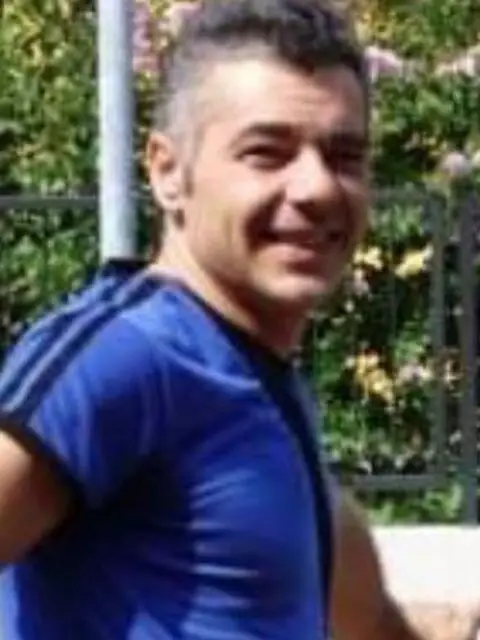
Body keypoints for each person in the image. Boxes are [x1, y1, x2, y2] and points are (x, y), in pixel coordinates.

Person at [0, 1, 457, 639]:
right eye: (267, 153)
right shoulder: (123, 357)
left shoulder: (264, 390)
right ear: (167, 172)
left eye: (344, 155)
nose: (317, 187)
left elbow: (363, 613)